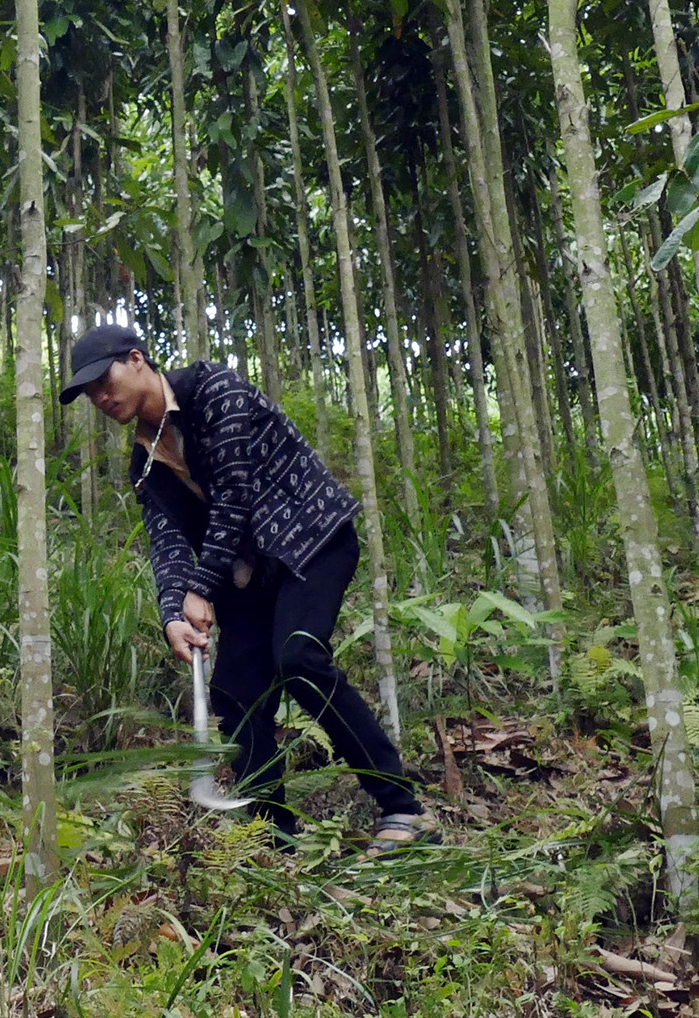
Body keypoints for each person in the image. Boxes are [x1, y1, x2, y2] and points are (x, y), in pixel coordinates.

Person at [60, 320, 429, 852]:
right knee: (236, 687)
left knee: (297, 656)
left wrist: (202, 586)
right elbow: (166, 545)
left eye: (104, 380)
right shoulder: (145, 460)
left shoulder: (216, 389)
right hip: (248, 574)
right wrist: (173, 615)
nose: (100, 396)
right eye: (89, 392)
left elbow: (235, 496)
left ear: (137, 359)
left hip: (311, 540)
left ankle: (401, 807)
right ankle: (273, 834)